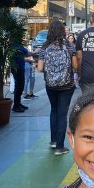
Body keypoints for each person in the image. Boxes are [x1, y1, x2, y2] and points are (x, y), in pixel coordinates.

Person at [38, 20, 78, 155]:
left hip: (50, 86)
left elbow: (40, 68)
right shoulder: (70, 46)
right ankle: (60, 147)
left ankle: (54, 140)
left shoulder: (45, 47)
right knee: (62, 114)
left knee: (54, 111)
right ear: (63, 31)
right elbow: (75, 66)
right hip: (67, 86)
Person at [11, 43, 29, 113]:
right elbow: (25, 52)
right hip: (17, 68)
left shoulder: (18, 44)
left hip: (19, 67)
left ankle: (18, 103)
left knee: (19, 86)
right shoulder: (15, 44)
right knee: (19, 86)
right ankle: (16, 106)